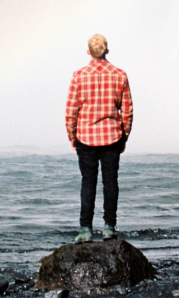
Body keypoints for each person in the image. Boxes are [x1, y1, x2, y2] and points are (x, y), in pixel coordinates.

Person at [64, 33, 133, 243]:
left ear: (88, 52)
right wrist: (124, 136)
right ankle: (109, 228)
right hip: (112, 137)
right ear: (107, 50)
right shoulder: (120, 75)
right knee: (111, 183)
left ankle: (85, 229)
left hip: (85, 137)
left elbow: (71, 111)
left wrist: (72, 137)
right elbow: (127, 111)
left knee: (88, 183)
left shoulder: (79, 76)